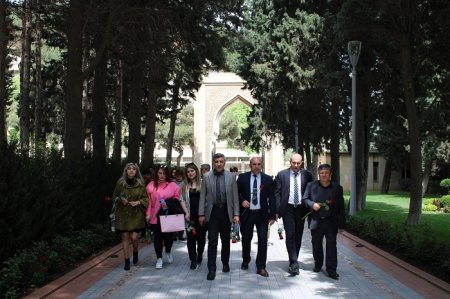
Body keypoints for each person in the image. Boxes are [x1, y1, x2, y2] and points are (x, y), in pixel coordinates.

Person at [199, 153, 239, 281]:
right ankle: (212, 269)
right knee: (212, 241)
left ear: (224, 162)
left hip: (226, 211)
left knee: (226, 240)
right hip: (212, 212)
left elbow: (235, 197)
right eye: (216, 161)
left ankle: (225, 263)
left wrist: (236, 214)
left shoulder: (231, 177)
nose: (219, 164)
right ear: (214, 163)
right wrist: (201, 214)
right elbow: (203, 197)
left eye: (221, 161)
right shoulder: (206, 177)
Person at [302, 164, 345, 280]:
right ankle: (318, 264)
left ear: (330, 174)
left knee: (332, 246)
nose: (324, 175)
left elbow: (341, 207)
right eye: (322, 173)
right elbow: (305, 199)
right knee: (316, 244)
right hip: (316, 221)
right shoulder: (311, 186)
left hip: (331, 222)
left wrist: (342, 225)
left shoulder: (337, 188)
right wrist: (312, 204)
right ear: (319, 174)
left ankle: (331, 270)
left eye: (326, 173)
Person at [237, 157, 276, 277]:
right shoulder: (242, 178)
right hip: (247, 214)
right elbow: (235, 193)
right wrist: (242, 200)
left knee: (263, 240)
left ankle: (261, 266)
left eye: (259, 164)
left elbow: (272, 198)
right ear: (250, 165)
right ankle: (246, 259)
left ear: (261, 165)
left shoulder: (267, 179)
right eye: (254, 164)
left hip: (262, 215)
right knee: (246, 239)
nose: (256, 166)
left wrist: (273, 215)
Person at [274, 153, 313, 276]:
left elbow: (311, 192)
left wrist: (309, 209)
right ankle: (294, 263)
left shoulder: (307, 175)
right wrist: (279, 209)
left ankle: (294, 259)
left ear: (301, 163)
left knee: (298, 235)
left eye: (298, 163)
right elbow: (277, 193)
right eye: (293, 163)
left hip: (301, 209)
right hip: (288, 209)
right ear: (290, 162)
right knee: (290, 234)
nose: (296, 165)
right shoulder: (281, 175)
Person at [112, 163, 149, 271]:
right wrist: (120, 200)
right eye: (129, 169)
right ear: (126, 171)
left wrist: (138, 202)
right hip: (123, 214)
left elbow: (146, 199)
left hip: (136, 214)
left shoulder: (141, 184)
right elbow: (115, 196)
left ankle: (135, 252)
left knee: (134, 237)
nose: (131, 171)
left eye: (134, 169)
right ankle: (127, 261)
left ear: (136, 171)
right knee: (125, 237)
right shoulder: (120, 183)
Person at [146, 165, 182, 269]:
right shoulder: (151, 185)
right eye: (160, 173)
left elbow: (176, 199)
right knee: (157, 237)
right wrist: (148, 213)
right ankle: (159, 258)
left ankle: (168, 251)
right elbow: (148, 201)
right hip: (155, 215)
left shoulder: (173, 185)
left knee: (168, 237)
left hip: (168, 216)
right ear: (156, 173)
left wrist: (168, 204)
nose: (162, 176)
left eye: (164, 173)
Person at [179, 163, 207, 270]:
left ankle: (200, 255)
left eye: (192, 171)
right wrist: (186, 212)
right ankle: (193, 260)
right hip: (190, 217)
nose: (190, 173)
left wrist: (203, 213)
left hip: (201, 217)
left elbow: (207, 200)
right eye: (188, 171)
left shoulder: (203, 184)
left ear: (196, 171)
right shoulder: (184, 185)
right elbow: (181, 200)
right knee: (191, 238)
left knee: (201, 238)